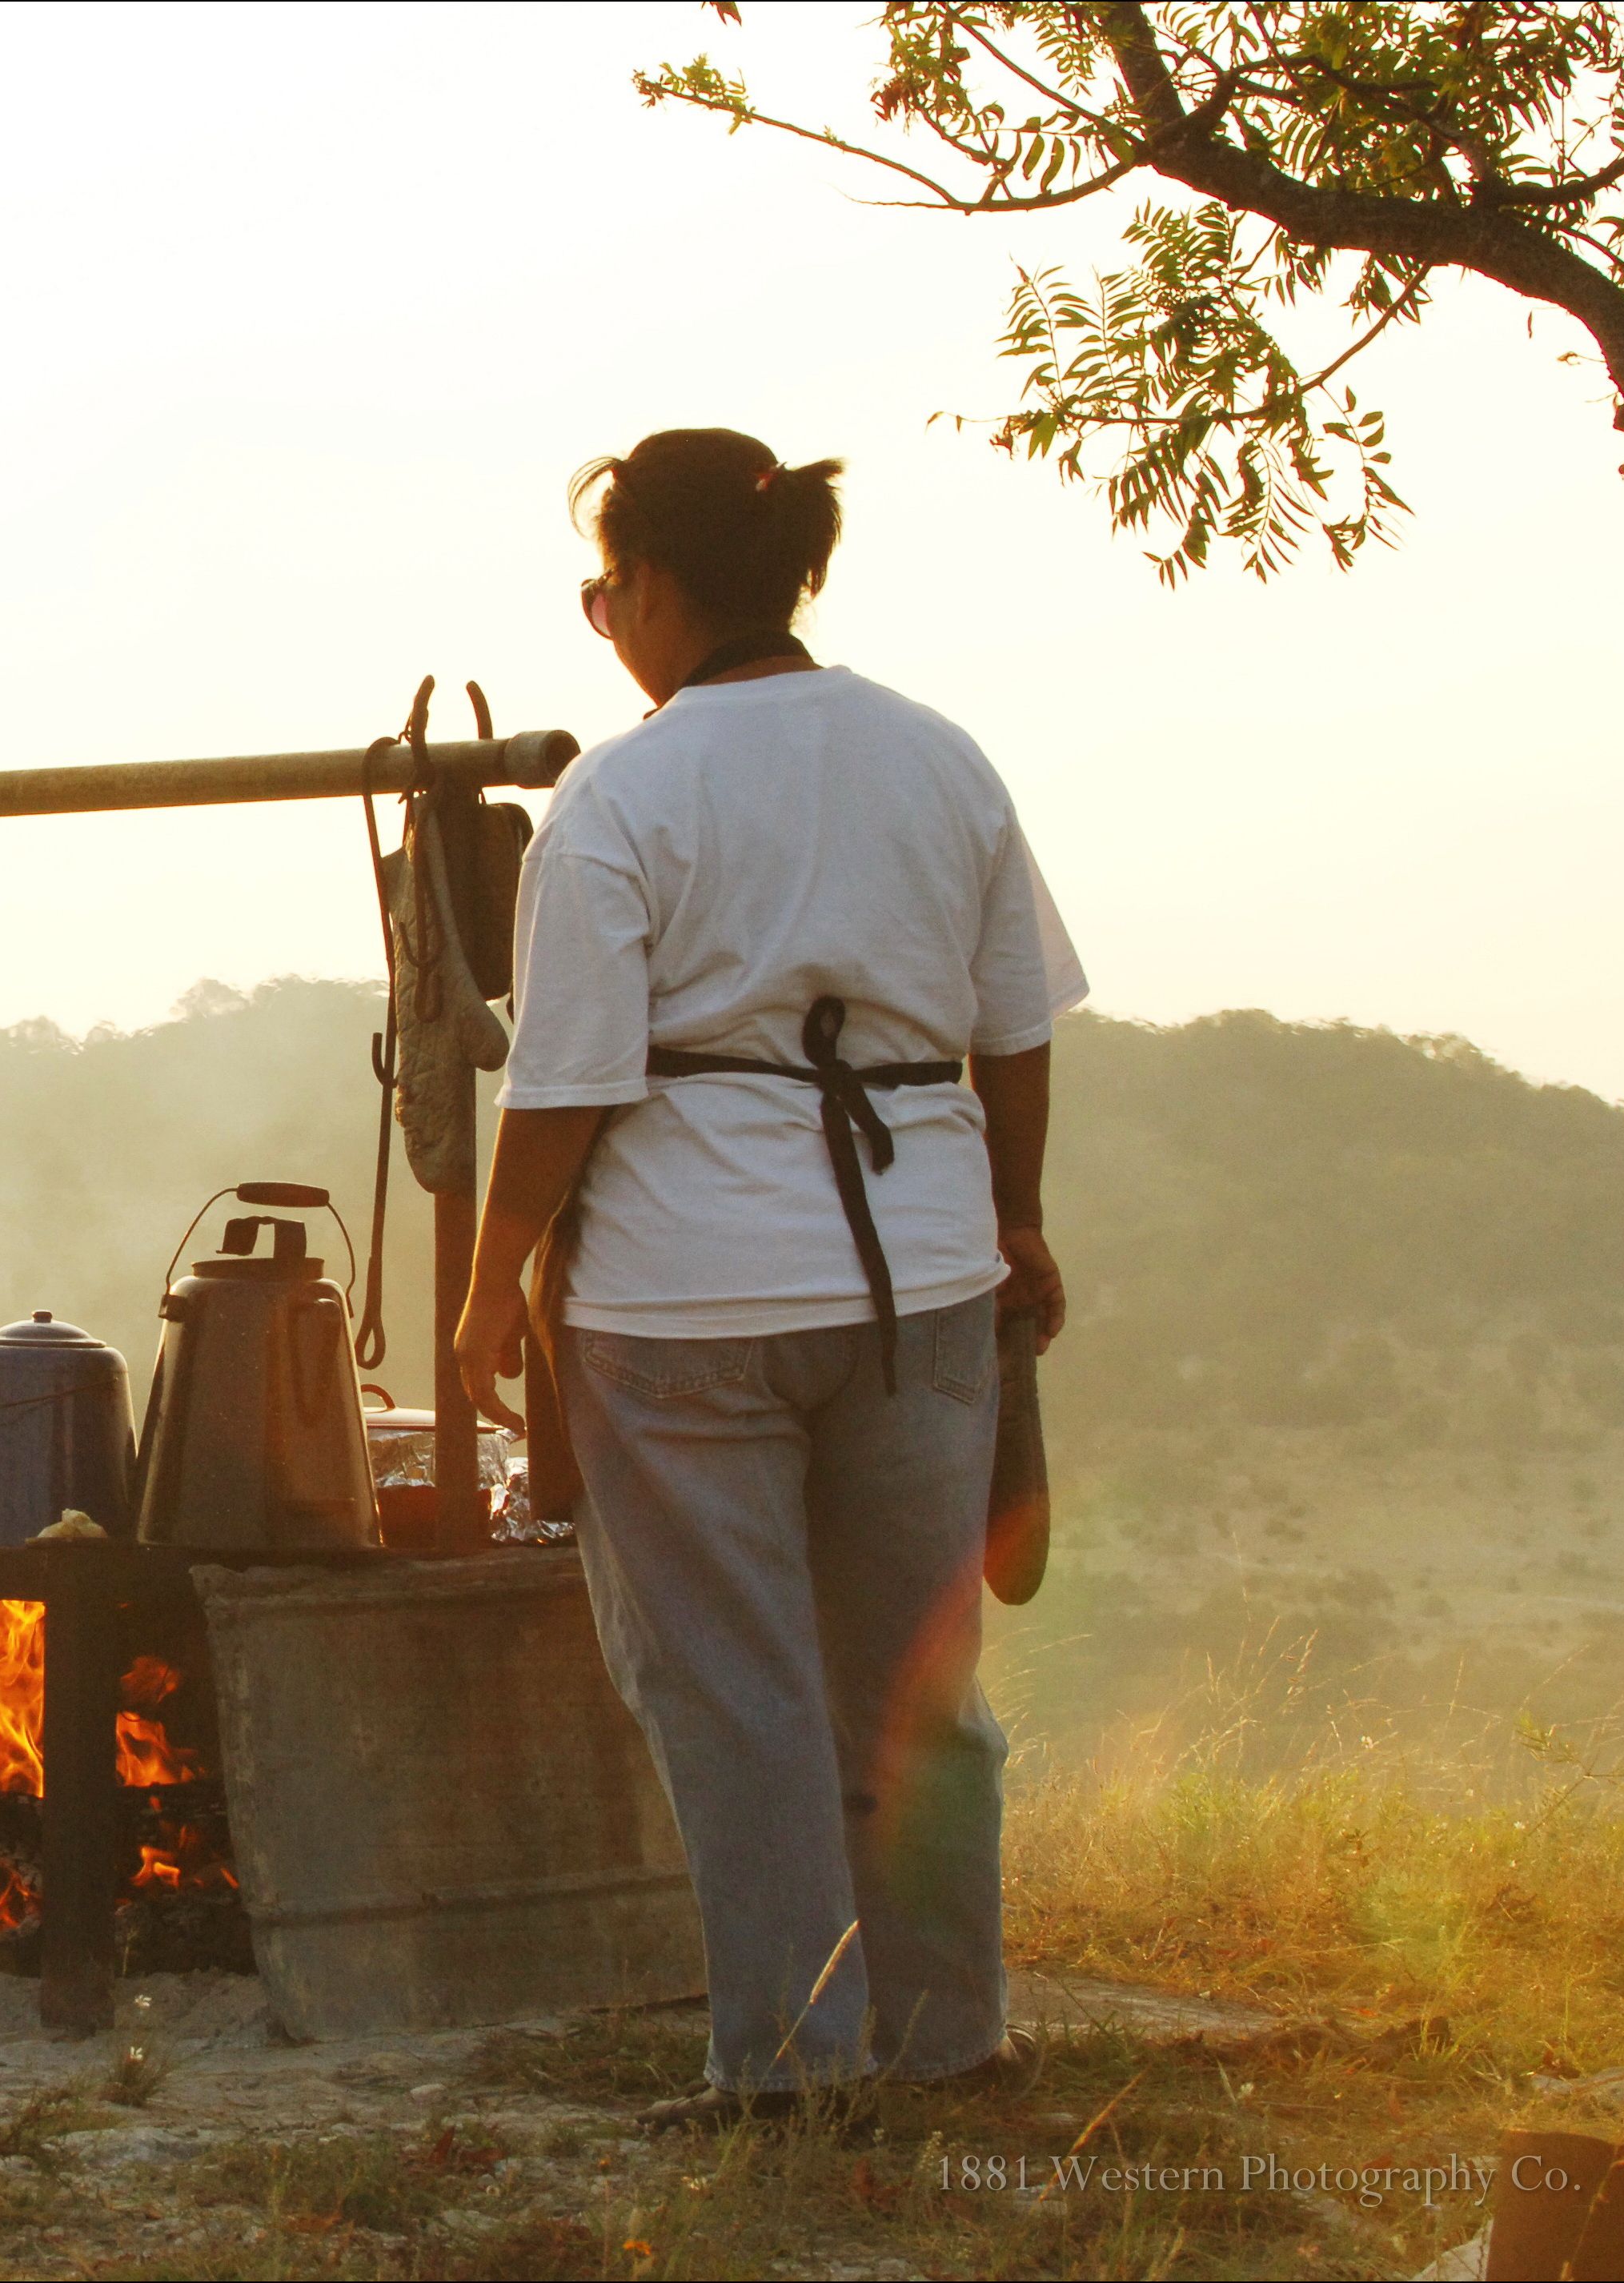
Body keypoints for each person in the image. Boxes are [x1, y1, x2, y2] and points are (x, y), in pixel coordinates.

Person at [454, 427, 1084, 2134]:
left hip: (685, 1307)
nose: (601, 619)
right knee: (915, 1685)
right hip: (921, 1280)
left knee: (735, 1691)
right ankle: (949, 2036)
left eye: (602, 589)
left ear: (652, 584)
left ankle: (790, 2068)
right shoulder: (933, 757)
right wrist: (1012, 1218)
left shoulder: (624, 792)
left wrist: (487, 1282)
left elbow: (566, 1082)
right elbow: (1010, 1023)